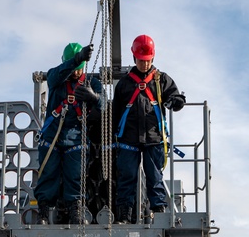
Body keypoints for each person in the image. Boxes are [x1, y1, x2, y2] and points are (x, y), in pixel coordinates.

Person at [112, 34, 185, 225]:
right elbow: (115, 112)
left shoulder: (161, 80)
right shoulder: (125, 84)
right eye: (141, 60)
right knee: (127, 177)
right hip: (128, 138)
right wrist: (112, 140)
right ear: (134, 58)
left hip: (153, 138)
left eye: (147, 60)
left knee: (154, 176)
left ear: (153, 58)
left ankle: (158, 211)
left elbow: (176, 98)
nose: (144, 64)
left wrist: (175, 102)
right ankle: (124, 216)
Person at [33, 42, 103, 225]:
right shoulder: (57, 79)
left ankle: (76, 209)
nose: (77, 73)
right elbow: (56, 74)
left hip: (76, 135)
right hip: (53, 135)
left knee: (76, 175)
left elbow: (105, 107)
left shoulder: (91, 83)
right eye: (74, 67)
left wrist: (95, 98)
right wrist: (76, 60)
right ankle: (43, 211)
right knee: (48, 173)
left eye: (80, 69)